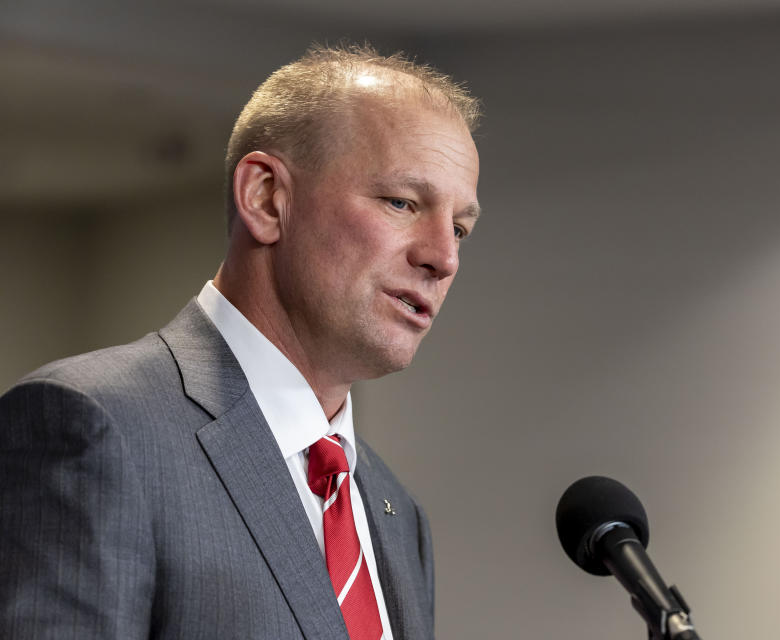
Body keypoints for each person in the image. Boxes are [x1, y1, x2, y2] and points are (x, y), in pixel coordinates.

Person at [0, 44, 481, 639]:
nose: (444, 257)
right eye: (402, 202)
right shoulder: (94, 427)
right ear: (265, 198)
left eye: (460, 227)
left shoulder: (395, 512)